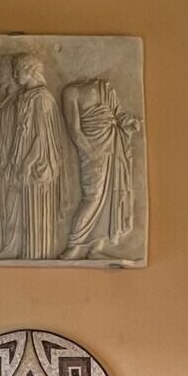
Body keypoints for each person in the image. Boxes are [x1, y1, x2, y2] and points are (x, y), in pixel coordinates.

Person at [0, 52, 70, 260]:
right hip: (20, 161)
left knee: (35, 213)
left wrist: (27, 163)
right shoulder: (27, 97)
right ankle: (13, 248)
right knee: (16, 203)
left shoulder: (41, 98)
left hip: (35, 166)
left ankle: (36, 255)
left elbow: (42, 136)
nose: (14, 75)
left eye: (17, 70)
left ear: (29, 71)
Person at [61, 75, 139, 260]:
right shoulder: (71, 92)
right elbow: (74, 129)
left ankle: (96, 248)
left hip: (112, 145)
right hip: (91, 150)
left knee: (111, 195)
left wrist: (129, 122)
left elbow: (119, 115)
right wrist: (90, 153)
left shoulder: (105, 88)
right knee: (93, 197)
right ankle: (74, 244)